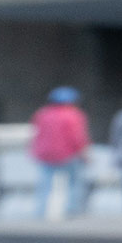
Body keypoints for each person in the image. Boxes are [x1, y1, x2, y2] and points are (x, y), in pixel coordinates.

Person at [29, 85, 92, 220]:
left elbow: (37, 134)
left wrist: (35, 151)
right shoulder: (73, 115)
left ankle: (40, 212)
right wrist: (84, 154)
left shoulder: (42, 114)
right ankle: (73, 211)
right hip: (69, 155)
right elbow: (77, 137)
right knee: (75, 183)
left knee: (45, 185)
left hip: (46, 155)